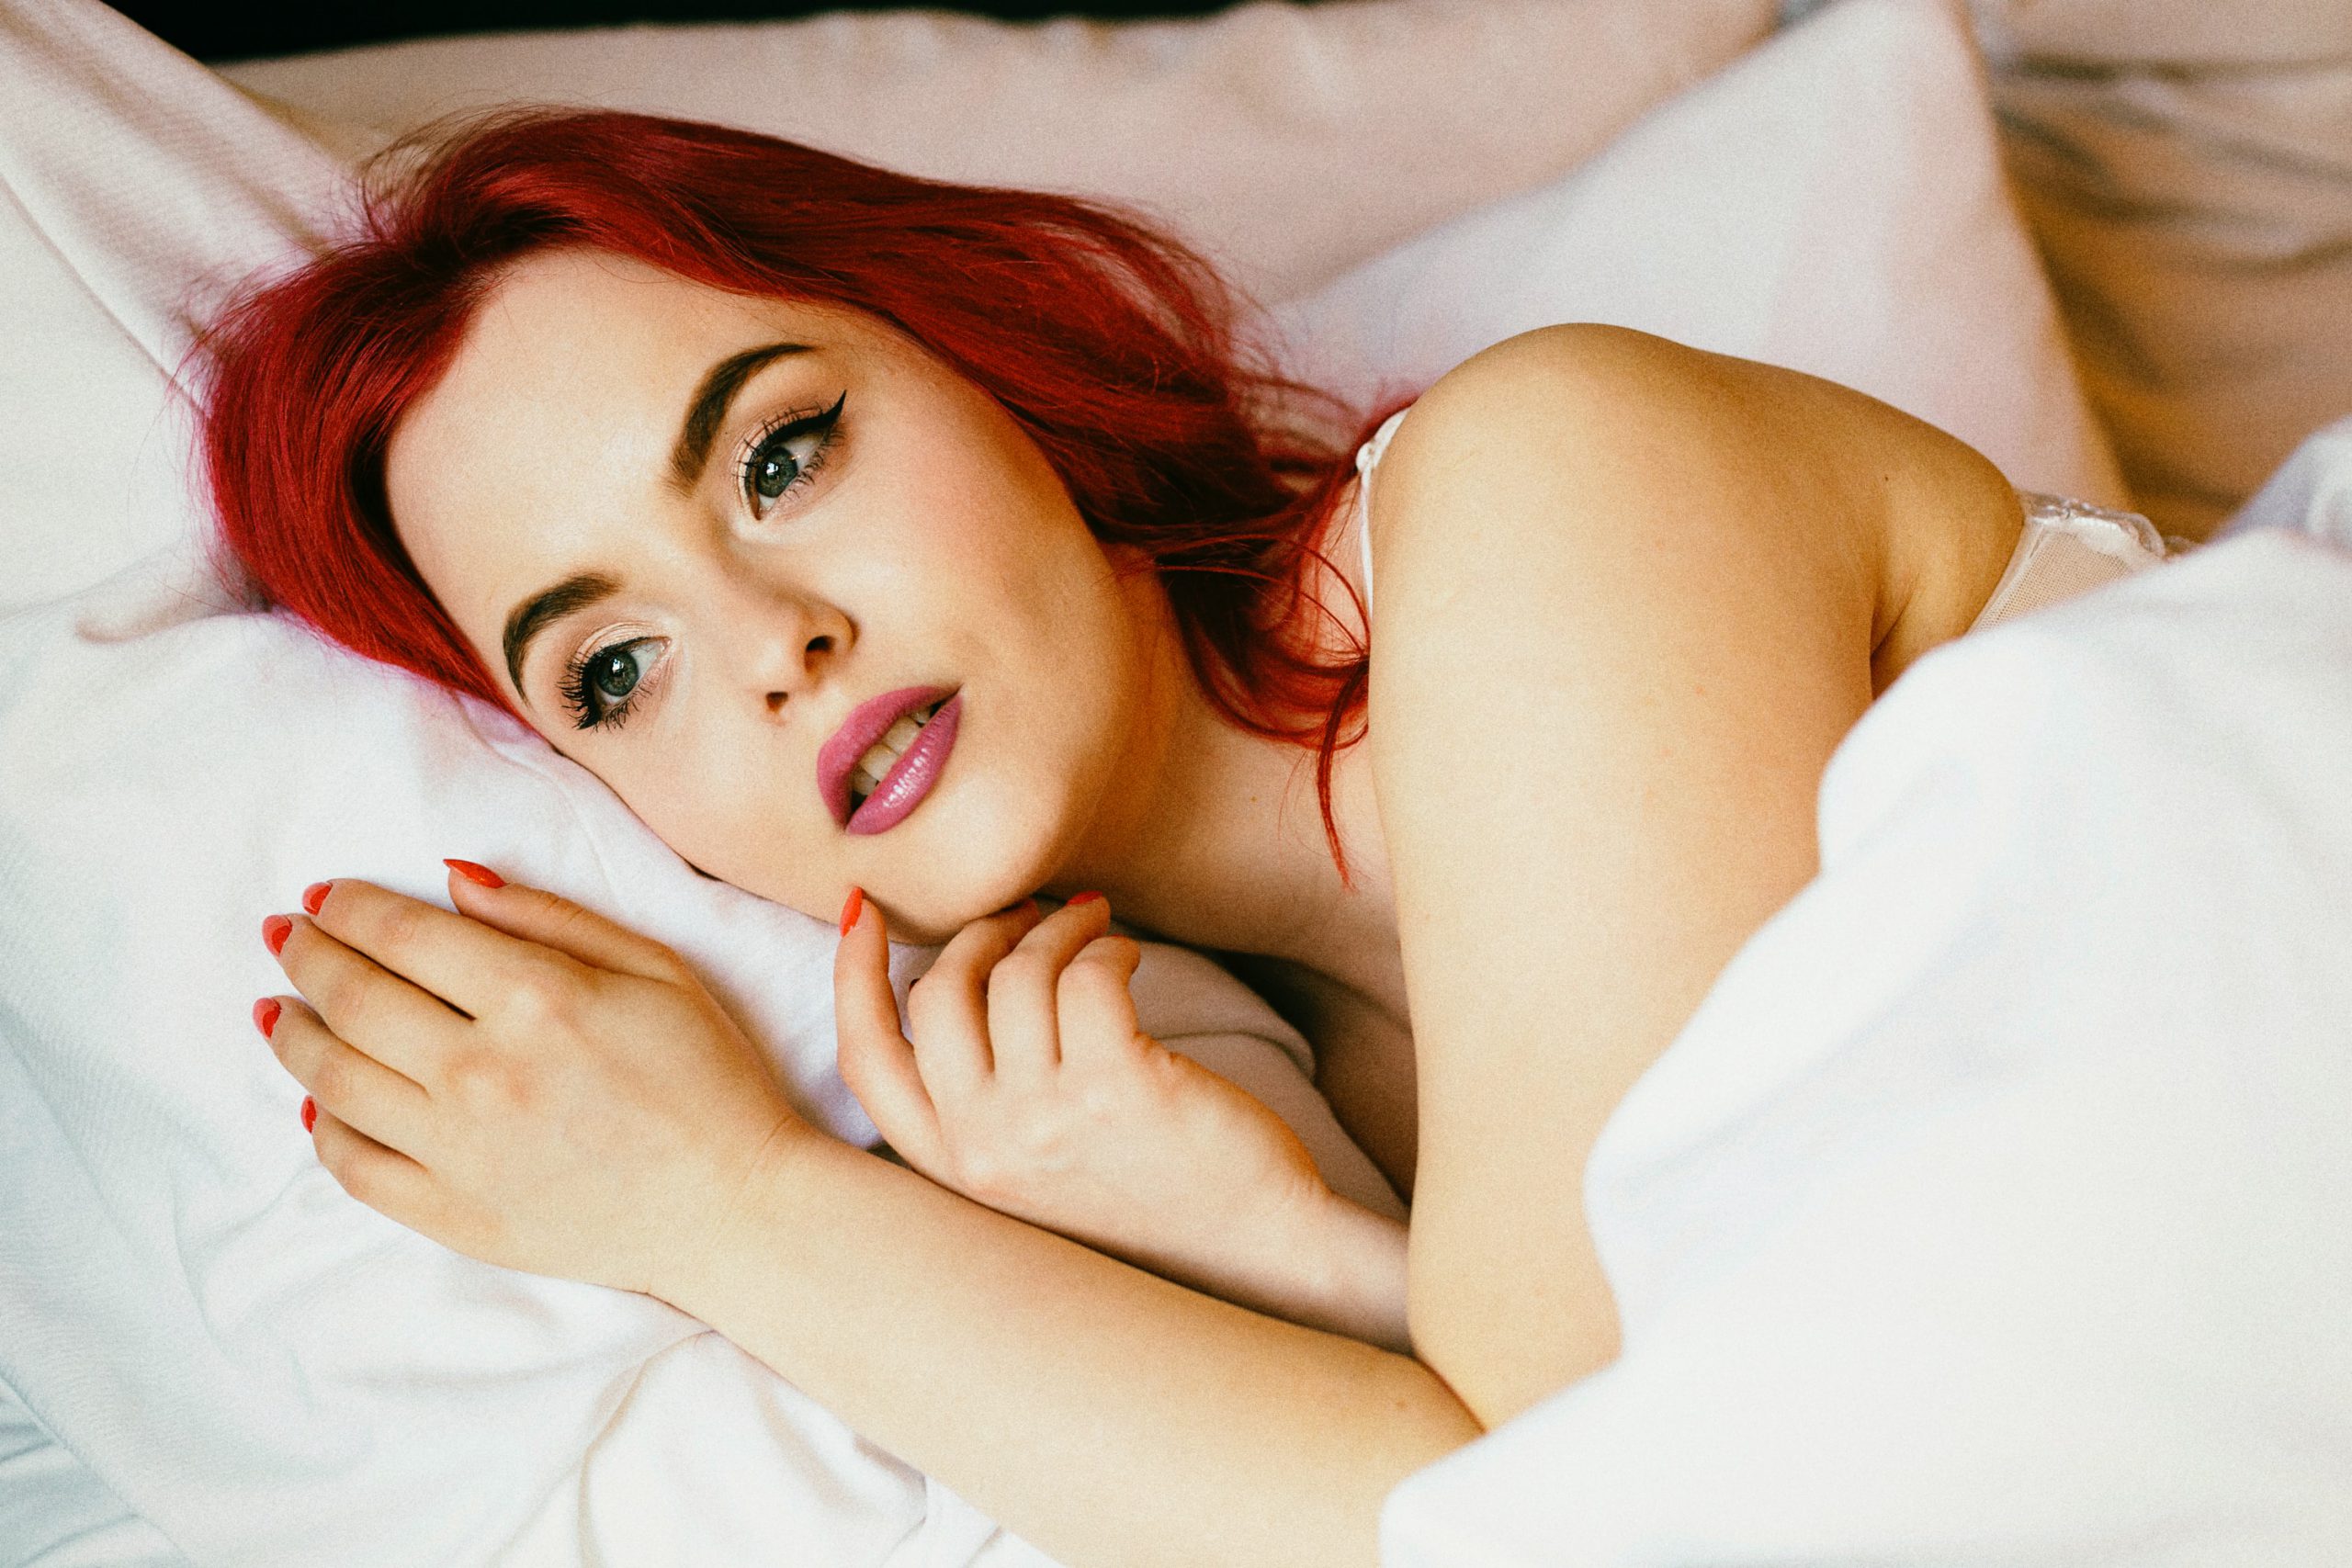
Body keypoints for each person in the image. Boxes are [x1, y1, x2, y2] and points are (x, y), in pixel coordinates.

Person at [204, 109, 2168, 1566]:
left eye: (780, 455)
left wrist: (723, 1200)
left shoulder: (1543, 483)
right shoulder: (1225, 1074)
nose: (772, 646)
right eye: (615, 671)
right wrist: (1280, 1245)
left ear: (986, 363)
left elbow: (1607, 1512)